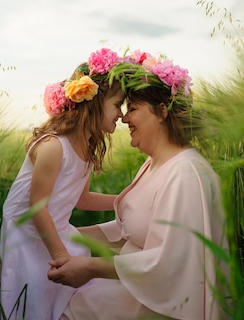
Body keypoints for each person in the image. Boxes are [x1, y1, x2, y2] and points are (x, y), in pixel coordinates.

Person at [47, 50, 230, 320]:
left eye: (132, 109)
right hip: (125, 291)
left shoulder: (186, 174)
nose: (123, 118)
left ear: (162, 112)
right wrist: (57, 237)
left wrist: (89, 267)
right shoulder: (153, 163)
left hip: (148, 306)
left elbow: (170, 263)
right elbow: (128, 230)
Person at [0, 48, 128, 320]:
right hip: (28, 237)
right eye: (117, 105)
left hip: (55, 231)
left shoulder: (85, 149)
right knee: (35, 305)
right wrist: (62, 257)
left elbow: (82, 199)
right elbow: (37, 207)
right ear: (94, 102)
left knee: (69, 302)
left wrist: (122, 200)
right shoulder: (54, 146)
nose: (121, 114)